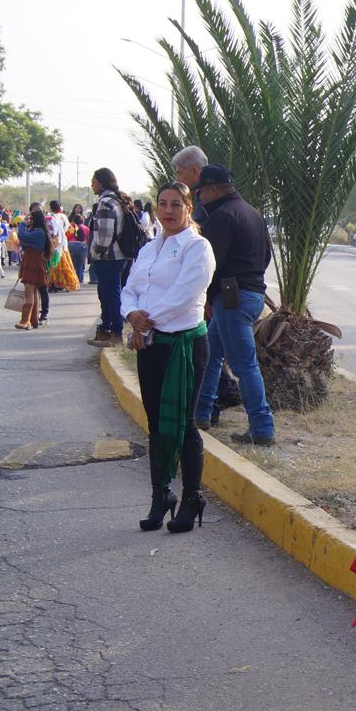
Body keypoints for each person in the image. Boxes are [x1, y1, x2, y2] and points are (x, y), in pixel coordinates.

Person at [121, 182, 217, 534]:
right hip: (151, 344)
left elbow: (182, 296)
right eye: (163, 204)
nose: (169, 211)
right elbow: (130, 289)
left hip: (184, 346)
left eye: (177, 204)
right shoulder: (150, 248)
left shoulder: (197, 247)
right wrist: (132, 315)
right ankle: (160, 494)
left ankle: (192, 496)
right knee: (156, 424)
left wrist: (144, 322)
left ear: (189, 208)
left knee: (183, 423)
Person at [191, 165, 276, 445]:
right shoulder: (252, 213)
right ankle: (200, 413)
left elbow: (210, 265)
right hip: (251, 294)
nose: (199, 197)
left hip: (231, 299)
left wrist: (206, 297)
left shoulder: (221, 216)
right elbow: (266, 256)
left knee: (244, 366)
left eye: (201, 191)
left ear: (213, 188)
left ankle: (262, 428)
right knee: (211, 355)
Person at [87, 168, 139, 347]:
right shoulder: (118, 200)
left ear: (102, 183)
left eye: (94, 181)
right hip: (120, 256)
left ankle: (116, 333)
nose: (92, 185)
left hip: (108, 258)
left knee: (110, 295)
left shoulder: (106, 203)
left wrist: (95, 253)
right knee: (109, 294)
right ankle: (106, 329)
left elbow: (104, 235)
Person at [15, 210, 51, 330]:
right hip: (34, 261)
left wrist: (23, 223)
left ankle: (25, 320)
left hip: (32, 262)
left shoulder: (38, 232)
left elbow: (22, 236)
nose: (29, 221)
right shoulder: (40, 232)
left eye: (31, 219)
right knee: (34, 293)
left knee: (29, 292)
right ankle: (33, 320)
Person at [46, 200, 79, 293]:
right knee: (64, 264)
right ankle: (64, 283)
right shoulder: (63, 216)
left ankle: (54, 283)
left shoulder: (50, 217)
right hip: (63, 243)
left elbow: (51, 231)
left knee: (54, 264)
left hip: (55, 243)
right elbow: (68, 229)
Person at [172, 145, 209, 222]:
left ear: (194, 172)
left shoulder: (207, 204)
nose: (177, 180)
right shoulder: (202, 199)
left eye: (179, 173)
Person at [67, 206, 89, 285]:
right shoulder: (86, 228)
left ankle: (73, 279)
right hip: (82, 245)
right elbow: (88, 238)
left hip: (72, 244)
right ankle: (80, 279)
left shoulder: (71, 227)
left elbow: (68, 236)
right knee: (80, 264)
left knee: (72, 264)